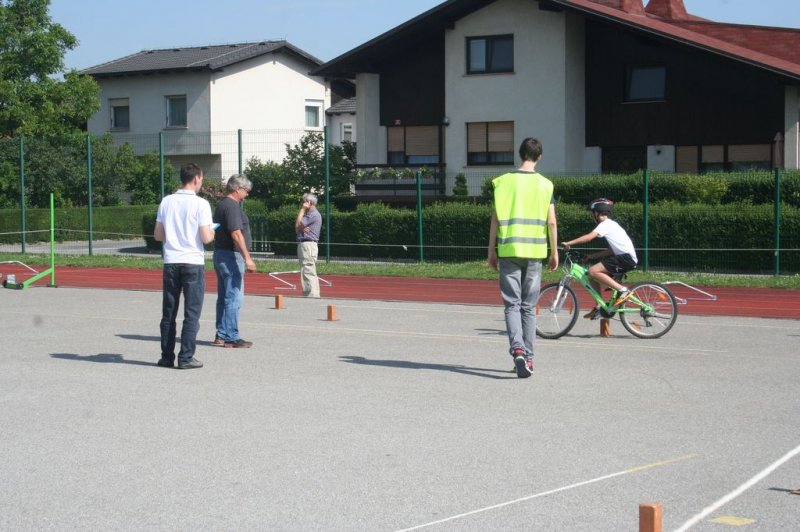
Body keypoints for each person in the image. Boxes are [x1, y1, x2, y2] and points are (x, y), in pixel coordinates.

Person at [487, 138, 559, 379]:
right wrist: (554, 251)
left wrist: (491, 250)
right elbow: (551, 222)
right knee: (529, 307)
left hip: (509, 250)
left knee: (512, 305)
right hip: (535, 252)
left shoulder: (502, 182)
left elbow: (495, 219)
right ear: (539, 157)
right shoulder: (546, 185)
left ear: (520, 154)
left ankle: (517, 349)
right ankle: (528, 358)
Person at [155, 163, 215, 369]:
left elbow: (158, 235)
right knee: (191, 313)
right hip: (192, 261)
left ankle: (166, 356)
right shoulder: (201, 204)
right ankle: (186, 357)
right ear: (196, 178)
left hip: (171, 260)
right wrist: (212, 232)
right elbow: (206, 237)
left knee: (169, 312)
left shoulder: (166, 201)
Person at [561, 198, 638, 319]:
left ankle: (623, 290)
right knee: (591, 275)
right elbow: (610, 250)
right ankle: (600, 306)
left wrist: (568, 243)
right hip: (625, 258)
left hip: (625, 258)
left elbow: (589, 237)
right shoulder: (612, 224)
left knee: (593, 271)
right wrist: (591, 256)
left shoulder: (605, 225)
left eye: (593, 212)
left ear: (597, 212)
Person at [212, 174, 257, 348]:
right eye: (246, 190)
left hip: (221, 254)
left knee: (224, 296)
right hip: (231, 255)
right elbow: (236, 233)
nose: (247, 194)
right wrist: (247, 257)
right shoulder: (232, 206)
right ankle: (231, 337)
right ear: (238, 188)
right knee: (234, 297)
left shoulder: (222, 204)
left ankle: (221, 333)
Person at [295, 193, 322, 298]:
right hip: (307, 244)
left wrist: (302, 210)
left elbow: (297, 225)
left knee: (308, 269)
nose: (303, 204)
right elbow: (298, 227)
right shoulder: (311, 215)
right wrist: (301, 227)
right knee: (308, 269)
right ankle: (312, 294)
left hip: (308, 244)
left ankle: (311, 295)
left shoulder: (313, 214)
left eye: (304, 202)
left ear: (309, 202)